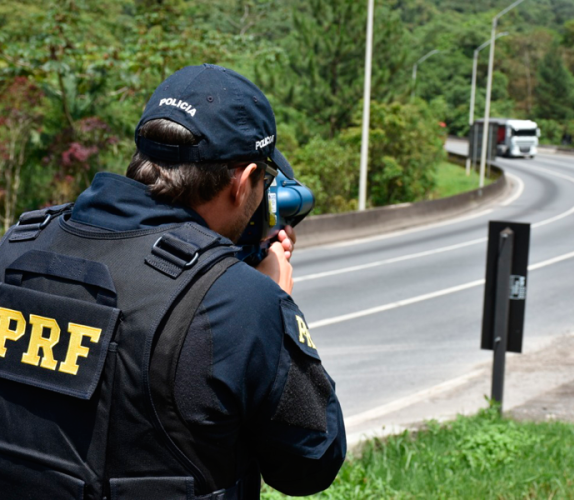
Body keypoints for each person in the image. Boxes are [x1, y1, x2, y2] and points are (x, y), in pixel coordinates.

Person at [0, 64, 345, 499]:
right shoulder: (239, 303)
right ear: (242, 183)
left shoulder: (15, 247)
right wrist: (269, 300)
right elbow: (312, 463)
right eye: (265, 180)